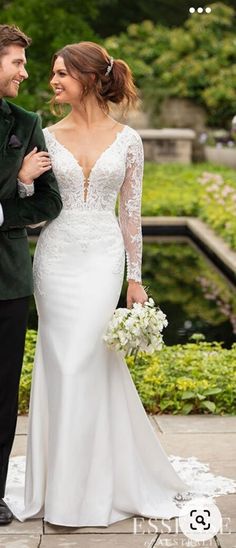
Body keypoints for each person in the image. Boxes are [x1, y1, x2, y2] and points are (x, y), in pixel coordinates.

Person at [10, 41, 188, 526]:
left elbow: (131, 216)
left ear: (88, 78)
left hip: (104, 257)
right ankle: (60, 486)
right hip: (56, 258)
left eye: (62, 73)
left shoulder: (130, 141)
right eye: (50, 74)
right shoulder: (43, 135)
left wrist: (136, 279)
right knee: (62, 362)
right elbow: (31, 207)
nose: (53, 81)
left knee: (90, 359)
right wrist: (24, 181)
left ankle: (95, 483)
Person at [0, 24, 62, 525]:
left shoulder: (25, 121)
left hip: (7, 281)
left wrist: (18, 195)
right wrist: (14, 178)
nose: (25, 71)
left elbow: (50, 199)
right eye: (16, 61)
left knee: (2, 395)